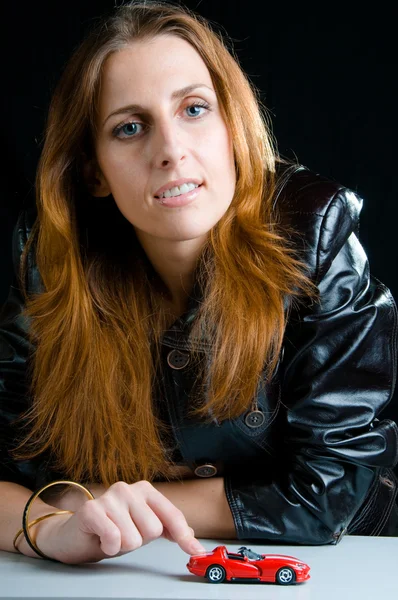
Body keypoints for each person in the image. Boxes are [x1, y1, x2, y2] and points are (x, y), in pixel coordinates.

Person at [1, 0, 397, 565]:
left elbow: (332, 489)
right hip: (140, 574)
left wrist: (113, 506)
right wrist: (50, 527)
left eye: (193, 109)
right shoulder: (52, 259)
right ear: (94, 171)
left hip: (343, 567)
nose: (170, 151)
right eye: (130, 127)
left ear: (231, 124)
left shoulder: (313, 230)